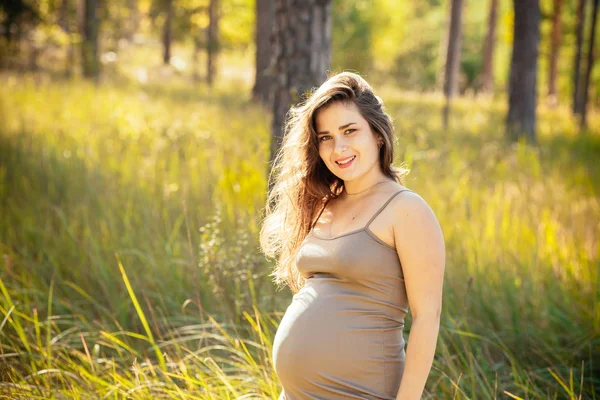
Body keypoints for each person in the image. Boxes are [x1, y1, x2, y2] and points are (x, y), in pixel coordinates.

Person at [259, 72, 446, 400]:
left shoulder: (405, 209)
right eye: (325, 137)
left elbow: (427, 318)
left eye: (350, 131)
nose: (338, 148)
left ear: (377, 134)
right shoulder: (323, 203)